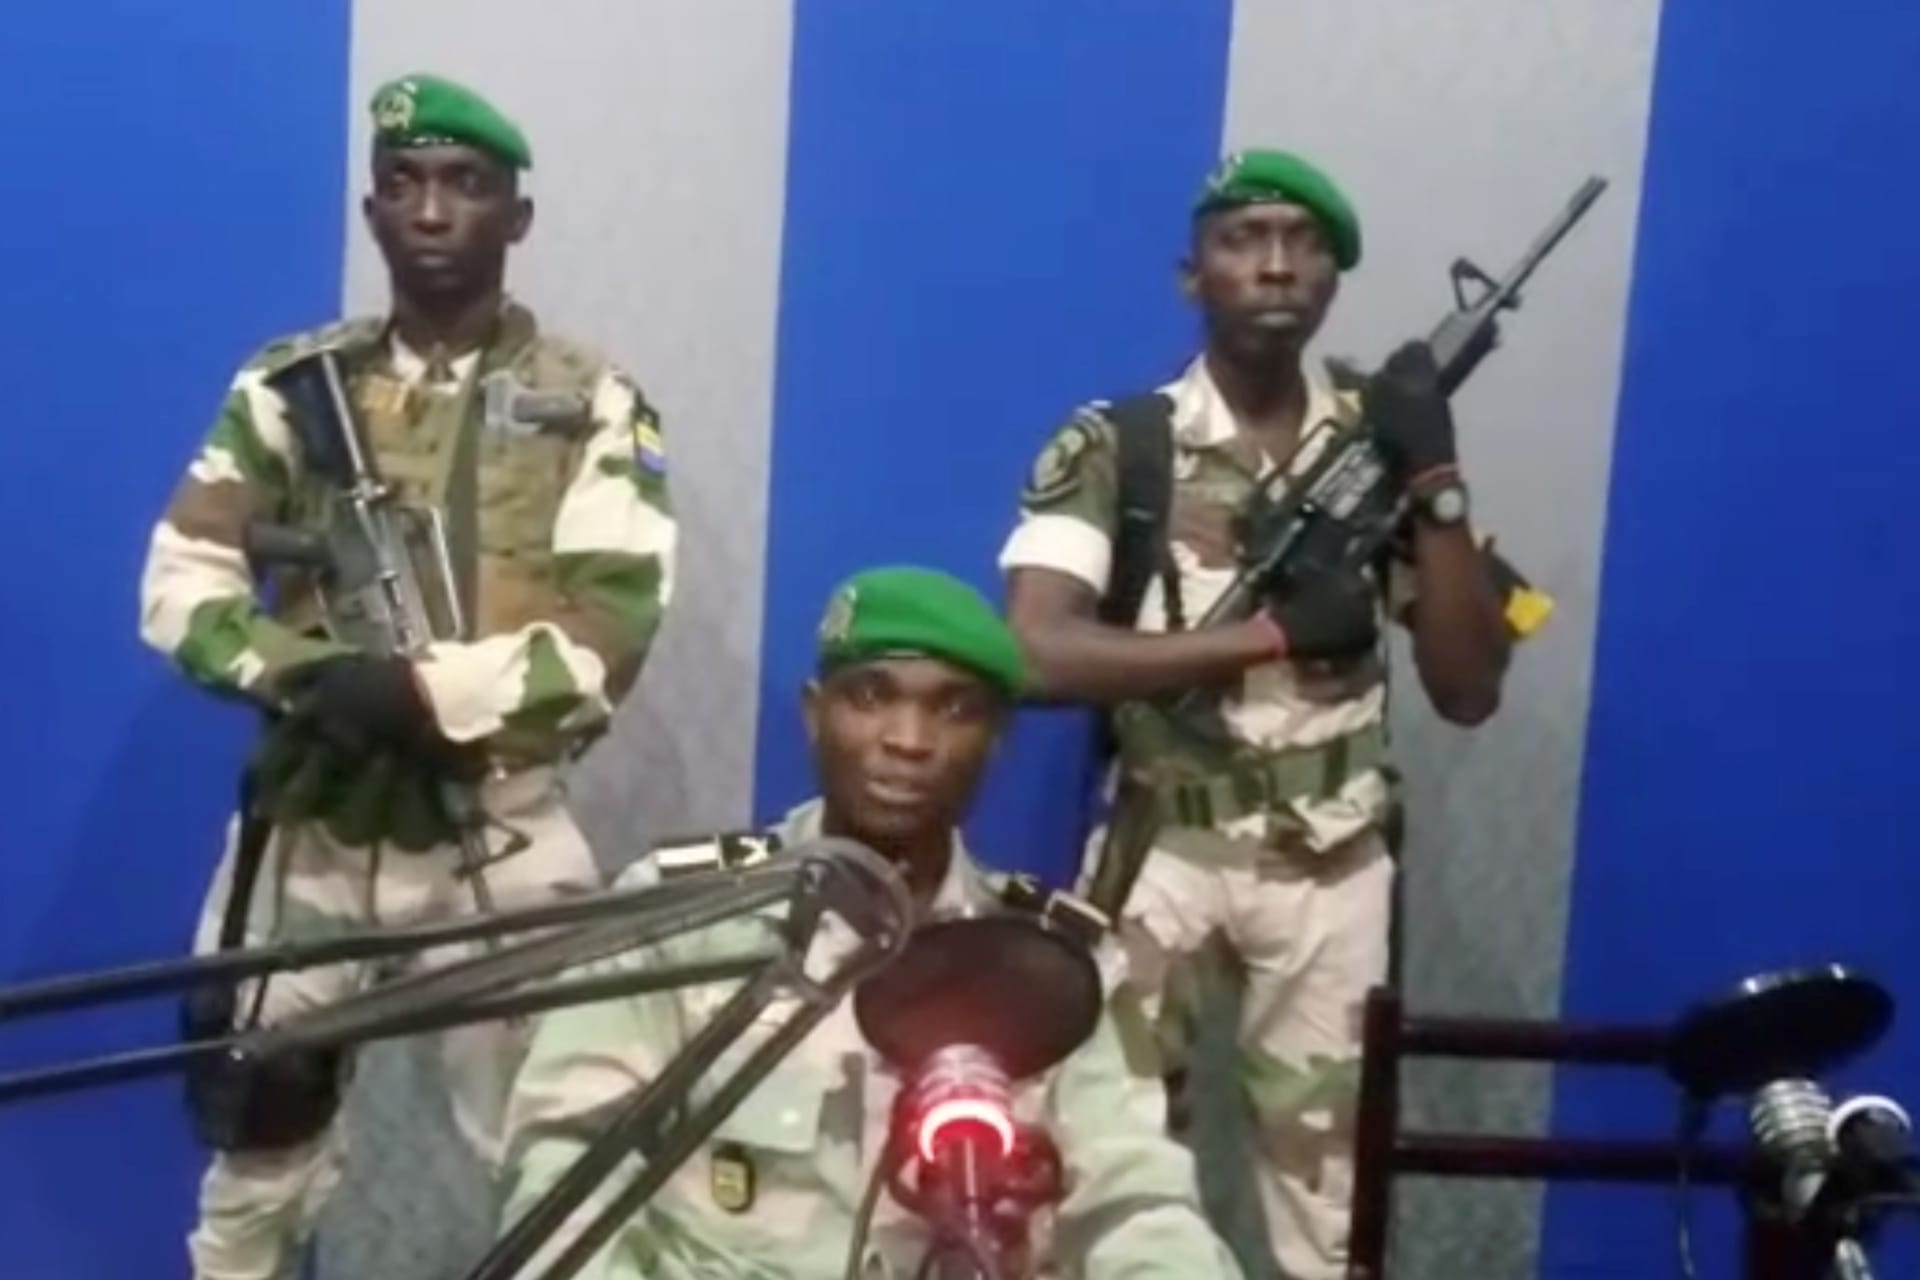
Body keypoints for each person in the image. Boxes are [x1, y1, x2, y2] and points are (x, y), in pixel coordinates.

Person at [138, 73, 677, 1280]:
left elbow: (609, 632)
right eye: (406, 185)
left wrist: (426, 696)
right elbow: (182, 583)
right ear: (376, 213)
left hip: (496, 822)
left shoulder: (591, 400)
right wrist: (303, 675)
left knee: (566, 1146)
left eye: (467, 185)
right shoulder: (291, 389)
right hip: (314, 826)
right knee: (258, 1128)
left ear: (516, 218)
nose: (434, 209)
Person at [997, 149, 1535, 1280]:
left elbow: (1469, 685)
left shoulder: (1377, 441)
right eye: (1244, 239)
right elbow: (1032, 649)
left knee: (1334, 1210)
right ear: (1192, 273)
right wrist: (1271, 637)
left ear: (1334, 274)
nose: (1276, 262)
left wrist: (1434, 477)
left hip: (1332, 862)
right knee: (1108, 1176)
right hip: (1163, 852)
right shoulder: (1120, 443)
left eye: (1302, 241)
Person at [497, 566, 1243, 1280]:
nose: (908, 740)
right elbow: (564, 1164)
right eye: (871, 697)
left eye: (953, 709)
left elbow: (1138, 1200)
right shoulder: (681, 917)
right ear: (815, 713)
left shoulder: (1049, 962)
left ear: (998, 740)